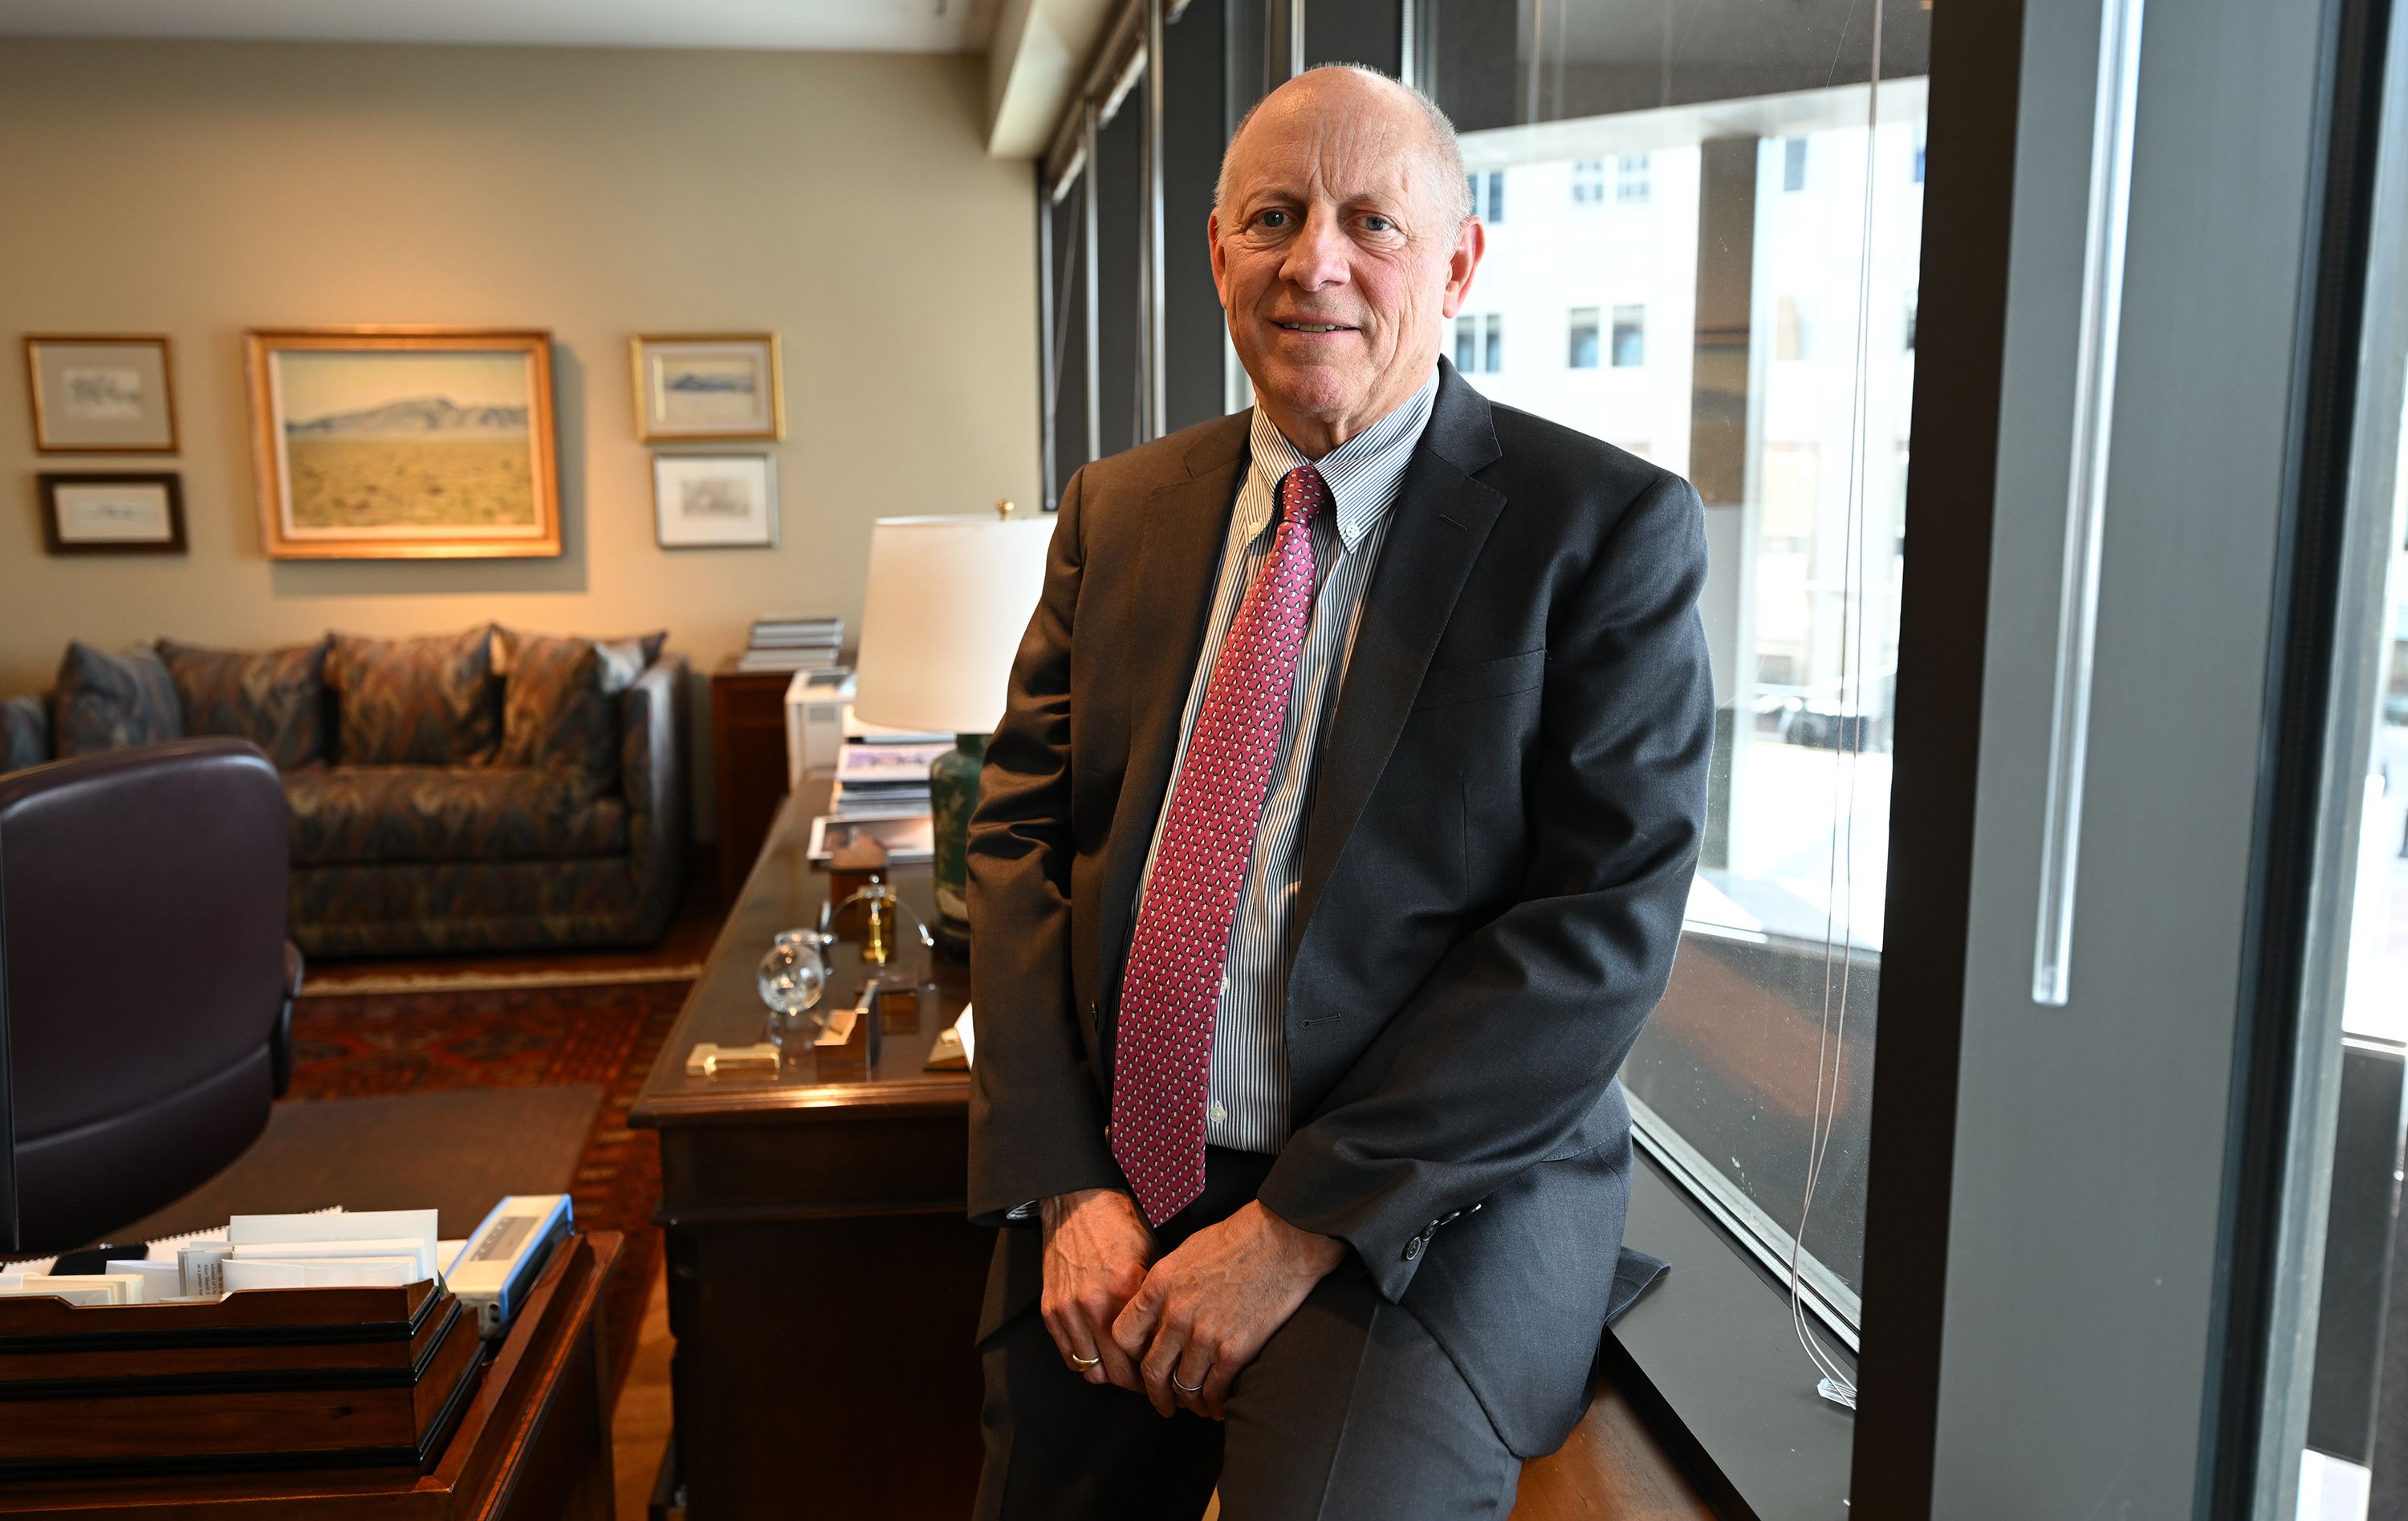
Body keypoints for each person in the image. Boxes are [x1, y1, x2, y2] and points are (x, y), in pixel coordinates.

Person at [965, 62, 1714, 1519]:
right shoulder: (1117, 511)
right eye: (1275, 216)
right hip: (1120, 1180)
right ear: (1218, 253)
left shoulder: (1604, 531)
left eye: (1373, 221)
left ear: (1458, 264)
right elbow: (1018, 844)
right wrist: (1068, 1184)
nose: (1318, 260)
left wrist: (1297, 1226)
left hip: (1431, 1207)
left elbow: (1599, 932)